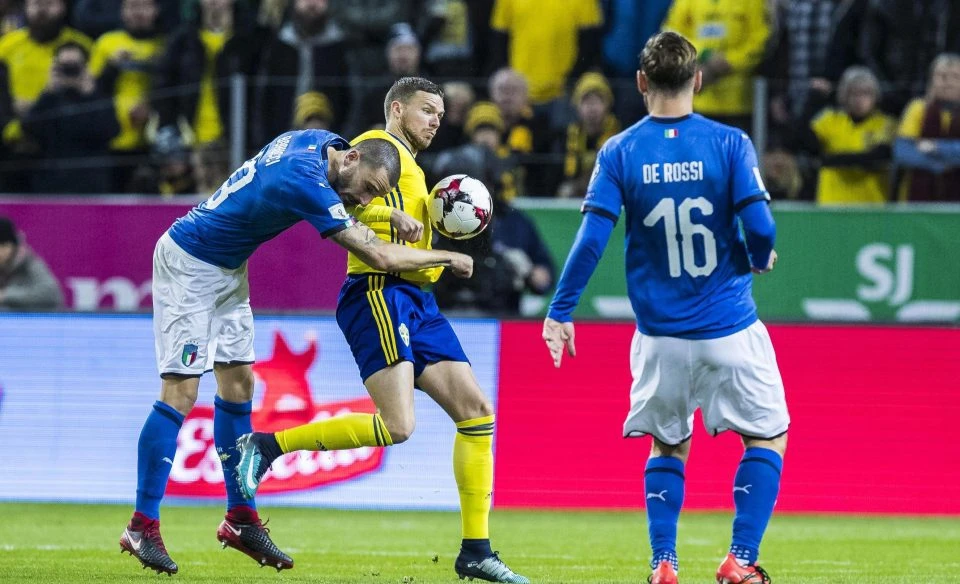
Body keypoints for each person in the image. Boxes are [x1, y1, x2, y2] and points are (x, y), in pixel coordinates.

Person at [119, 128, 474, 576]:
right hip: (189, 263)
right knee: (181, 393)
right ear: (352, 159)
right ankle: (141, 525)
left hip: (228, 267)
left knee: (240, 385)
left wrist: (386, 213)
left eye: (376, 196)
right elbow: (381, 258)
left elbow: (346, 198)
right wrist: (445, 258)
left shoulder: (322, 143)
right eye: (369, 189)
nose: (366, 200)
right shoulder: (303, 179)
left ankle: (241, 518)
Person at [233, 77, 530, 584]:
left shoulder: (412, 167)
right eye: (426, 110)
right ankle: (266, 446)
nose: (435, 121)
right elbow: (340, 200)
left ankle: (476, 550)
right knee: (398, 425)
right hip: (379, 291)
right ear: (396, 109)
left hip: (419, 302)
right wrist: (390, 213)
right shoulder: (377, 148)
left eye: (440, 114)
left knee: (477, 412)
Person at [541, 32, 788, 584]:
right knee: (767, 435)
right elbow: (762, 226)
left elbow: (591, 240)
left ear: (640, 82)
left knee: (668, 446)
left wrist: (561, 310)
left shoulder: (620, 151)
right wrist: (759, 257)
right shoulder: (730, 143)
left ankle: (664, 563)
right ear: (698, 80)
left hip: (659, 337)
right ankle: (740, 559)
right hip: (729, 328)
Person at [20, 41, 120, 193]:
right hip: (51, 182)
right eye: (64, 66)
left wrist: (90, 94)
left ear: (86, 67)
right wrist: (48, 93)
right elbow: (29, 129)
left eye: (75, 66)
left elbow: (110, 131)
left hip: (92, 183)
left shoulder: (98, 95)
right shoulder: (49, 98)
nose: (69, 71)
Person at [799, 66, 895, 205]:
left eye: (866, 93)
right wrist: (813, 101)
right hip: (832, 202)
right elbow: (805, 142)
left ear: (875, 96)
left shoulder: (885, 124)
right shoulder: (830, 120)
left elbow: (876, 157)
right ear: (844, 95)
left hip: (871, 204)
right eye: (853, 93)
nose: (859, 100)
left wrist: (829, 160)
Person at [893, 52, 960, 202]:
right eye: (942, 76)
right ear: (931, 80)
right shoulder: (917, 108)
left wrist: (937, 147)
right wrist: (942, 165)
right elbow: (903, 152)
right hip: (917, 201)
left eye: (956, 77)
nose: (948, 83)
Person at [0, 216, 63, 310]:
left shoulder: (28, 264)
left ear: (14, 246)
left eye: (3, 245)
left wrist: (5, 295)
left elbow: (51, 294)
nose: (0, 251)